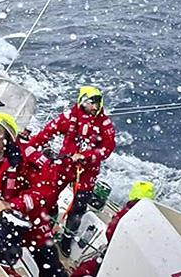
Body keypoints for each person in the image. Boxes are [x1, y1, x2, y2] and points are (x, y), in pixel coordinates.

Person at [0, 112, 67, 277]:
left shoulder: (28, 156)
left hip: (33, 221)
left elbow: (46, 190)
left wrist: (13, 204)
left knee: (53, 270)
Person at [28, 86, 116, 257]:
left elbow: (107, 149)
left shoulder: (105, 124)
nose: (93, 107)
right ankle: (46, 222)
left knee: (78, 207)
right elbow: (48, 132)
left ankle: (67, 238)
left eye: (95, 103)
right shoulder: (70, 117)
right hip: (65, 165)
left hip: (87, 173)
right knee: (49, 194)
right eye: (90, 103)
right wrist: (30, 147)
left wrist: (85, 156)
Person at [70, 181, 155, 277]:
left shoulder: (127, 212)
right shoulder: (151, 217)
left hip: (114, 254)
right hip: (132, 262)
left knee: (85, 268)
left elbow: (110, 232)